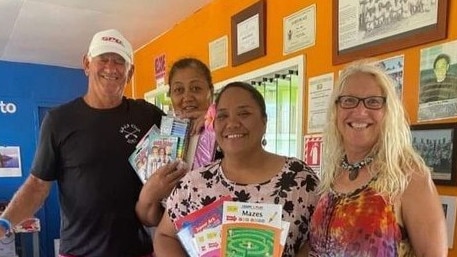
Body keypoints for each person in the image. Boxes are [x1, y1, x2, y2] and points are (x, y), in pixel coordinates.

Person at [0, 29, 187, 257]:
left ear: (130, 72)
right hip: (78, 252)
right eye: (103, 59)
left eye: (119, 61)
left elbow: (187, 136)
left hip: (139, 251)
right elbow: (38, 185)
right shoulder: (59, 120)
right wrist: (5, 224)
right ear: (87, 64)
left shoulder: (147, 115)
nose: (111, 67)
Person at [153, 81, 320, 257]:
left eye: (244, 113)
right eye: (223, 116)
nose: (232, 123)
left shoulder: (300, 179)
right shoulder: (193, 185)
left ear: (264, 121)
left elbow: (318, 239)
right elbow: (164, 236)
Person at [308, 60, 447, 256]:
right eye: (349, 100)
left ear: (388, 112)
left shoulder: (409, 176)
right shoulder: (334, 172)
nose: (360, 111)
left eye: (373, 101)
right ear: (336, 110)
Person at [136, 57, 219, 226]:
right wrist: (149, 194)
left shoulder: (226, 130)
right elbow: (149, 219)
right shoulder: (161, 141)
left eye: (196, 88)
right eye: (179, 90)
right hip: (173, 241)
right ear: (171, 96)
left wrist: (216, 118)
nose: (187, 97)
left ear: (210, 91)